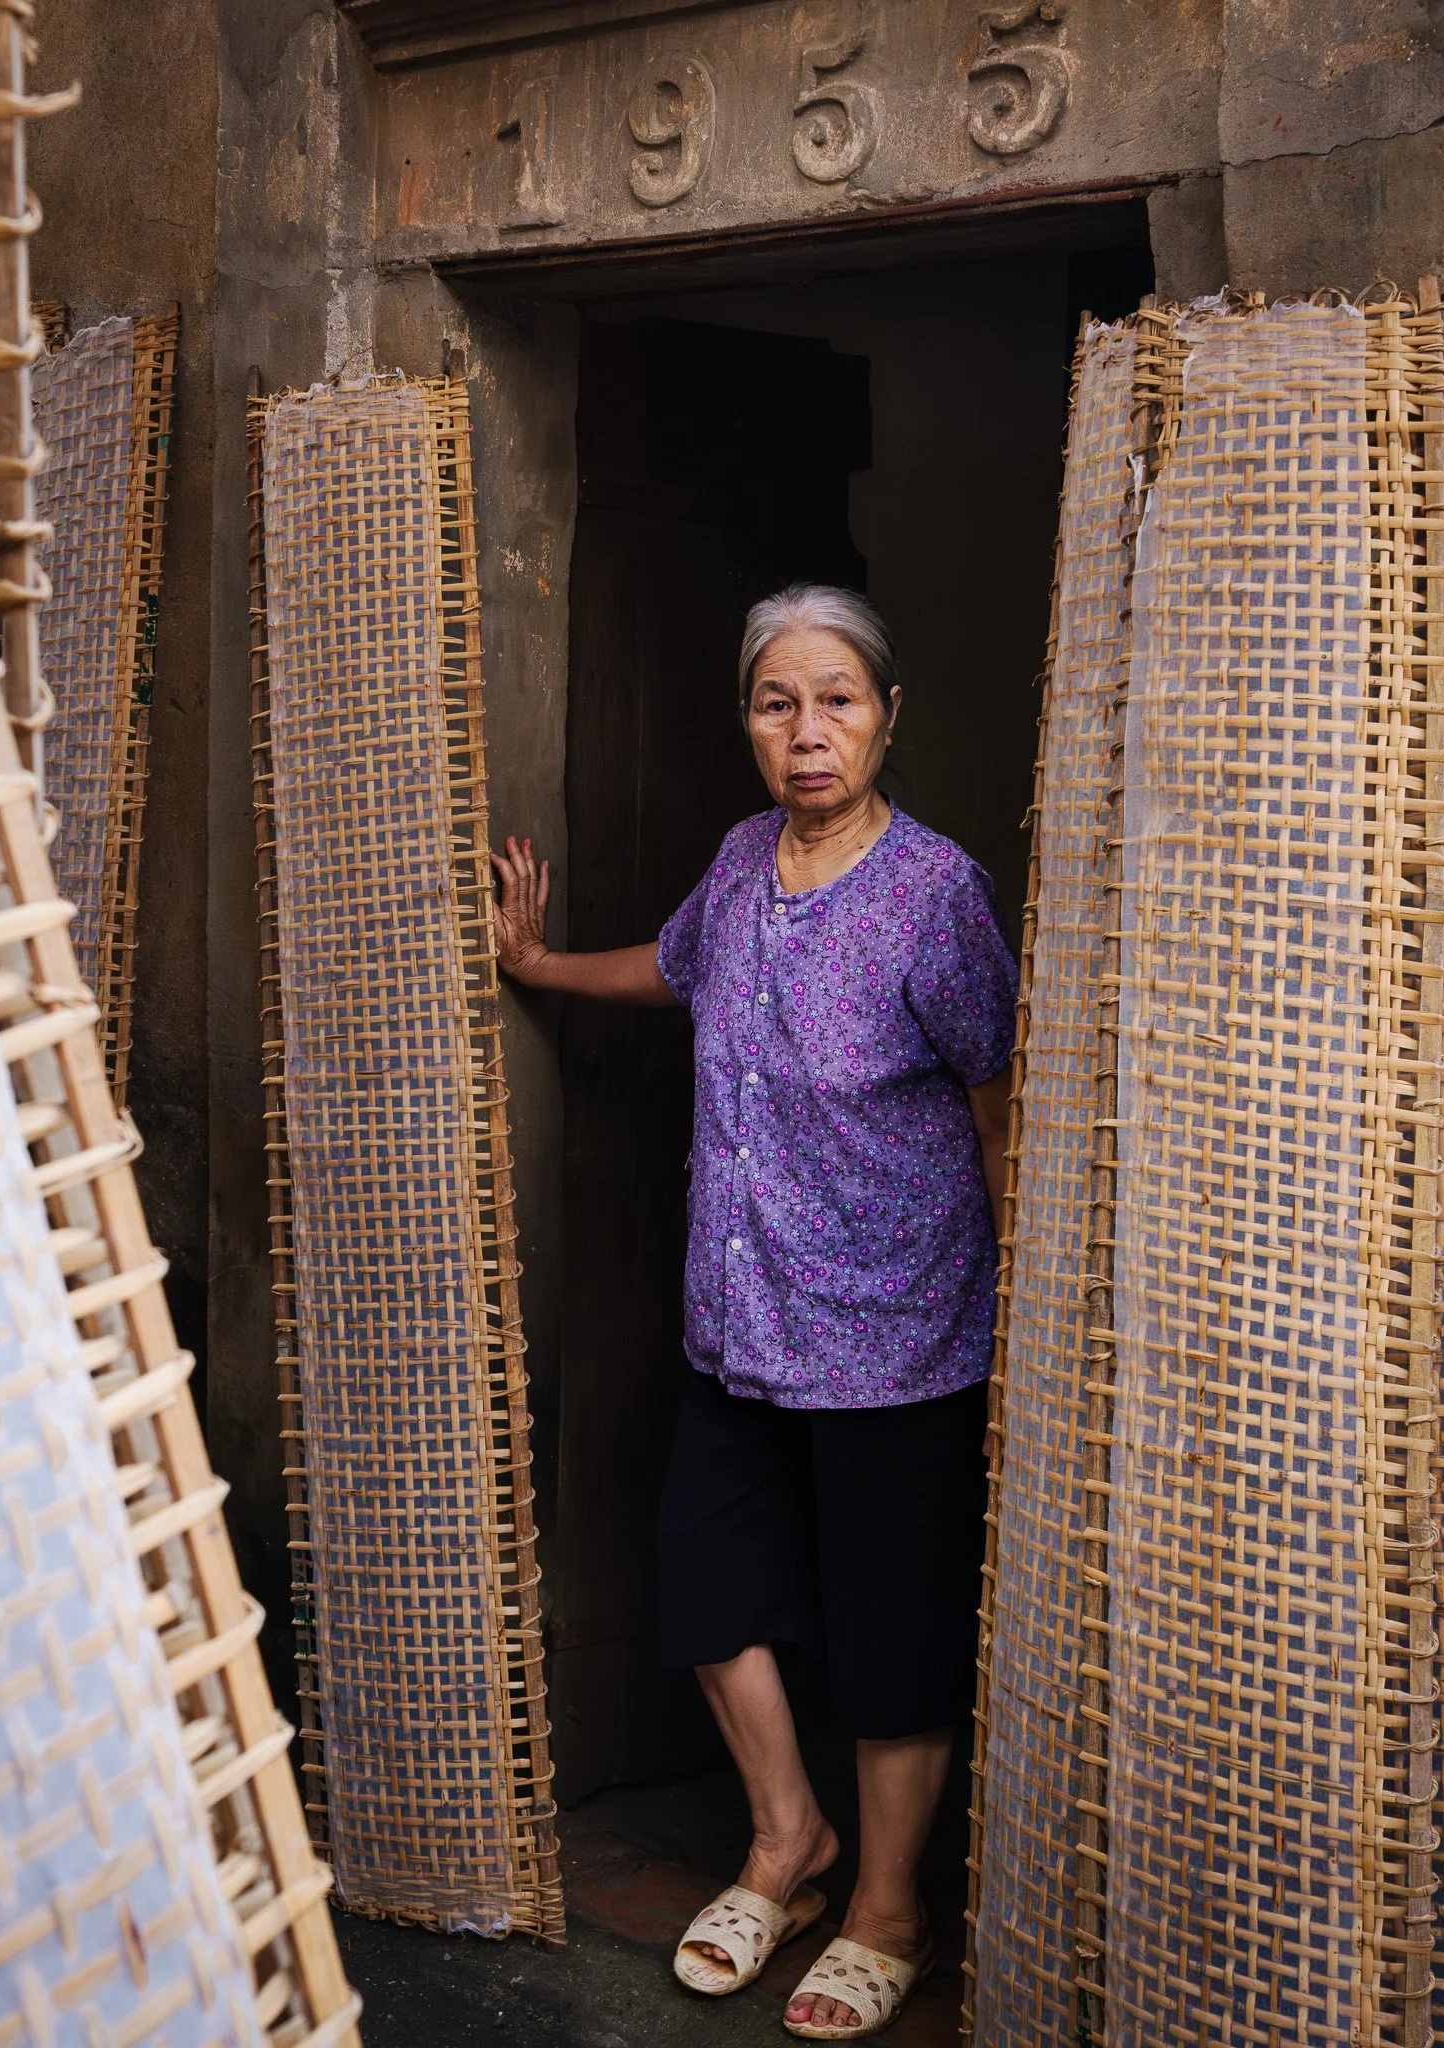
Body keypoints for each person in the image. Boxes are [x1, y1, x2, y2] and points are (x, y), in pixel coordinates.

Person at [490, 583, 1016, 2040]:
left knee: (890, 1634)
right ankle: (791, 1842)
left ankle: (888, 1907)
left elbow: (996, 1097)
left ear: (887, 715)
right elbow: (674, 973)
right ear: (745, 720)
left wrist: (1025, 1293)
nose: (807, 731)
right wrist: (534, 965)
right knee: (706, 1586)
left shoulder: (934, 895)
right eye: (776, 701)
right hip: (740, 1315)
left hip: (899, 1329)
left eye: (837, 699)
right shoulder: (737, 864)